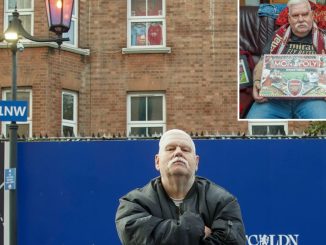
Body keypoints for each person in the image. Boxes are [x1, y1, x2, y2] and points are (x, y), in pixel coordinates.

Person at [115, 129, 246, 245]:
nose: (178, 152)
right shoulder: (134, 203)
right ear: (157, 161)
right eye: (170, 148)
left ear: (196, 162)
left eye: (185, 149)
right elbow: (136, 238)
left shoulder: (222, 202)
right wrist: (197, 228)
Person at [246, 0, 326, 119]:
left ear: (312, 15)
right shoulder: (277, 36)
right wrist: (257, 82)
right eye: (295, 15)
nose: (300, 19)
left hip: (312, 99)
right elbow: (263, 61)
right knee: (251, 125)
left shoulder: (324, 38)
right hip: (275, 100)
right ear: (289, 18)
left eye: (304, 14)